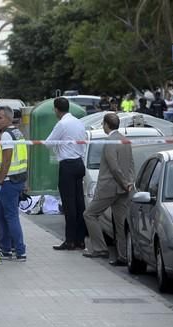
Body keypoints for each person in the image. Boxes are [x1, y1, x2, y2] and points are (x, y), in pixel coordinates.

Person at [82, 113, 134, 264]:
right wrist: (130, 182)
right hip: (123, 190)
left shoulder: (109, 142)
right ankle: (123, 256)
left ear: (106, 124)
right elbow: (131, 164)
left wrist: (124, 182)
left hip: (109, 188)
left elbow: (114, 167)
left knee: (90, 214)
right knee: (120, 223)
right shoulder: (125, 140)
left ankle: (100, 249)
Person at [46, 97, 87, 250]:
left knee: (69, 205)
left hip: (68, 165)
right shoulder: (78, 122)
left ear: (56, 109)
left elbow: (48, 142)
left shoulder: (62, 124)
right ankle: (80, 240)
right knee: (79, 204)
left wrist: (59, 148)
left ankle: (69, 241)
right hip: (79, 163)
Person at [0, 106, 28, 262]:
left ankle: (20, 251)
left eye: (0, 117)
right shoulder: (17, 132)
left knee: (11, 216)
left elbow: (6, 159)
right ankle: (6, 249)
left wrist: (0, 179)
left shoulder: (7, 136)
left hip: (9, 181)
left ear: (8, 119)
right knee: (1, 216)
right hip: (18, 179)